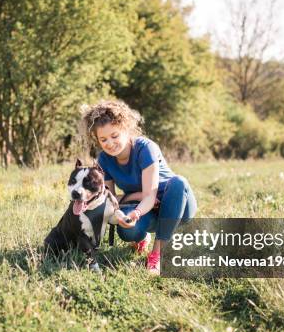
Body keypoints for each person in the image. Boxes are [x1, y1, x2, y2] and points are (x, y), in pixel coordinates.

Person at [81, 100, 197, 275]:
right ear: (97, 140)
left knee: (179, 182)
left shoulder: (145, 148)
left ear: (126, 130)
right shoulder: (104, 160)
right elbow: (109, 200)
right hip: (146, 208)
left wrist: (137, 209)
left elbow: (150, 195)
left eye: (114, 135)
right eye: (103, 139)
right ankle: (141, 237)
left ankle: (157, 254)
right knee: (128, 230)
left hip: (178, 206)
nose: (110, 143)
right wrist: (131, 203)